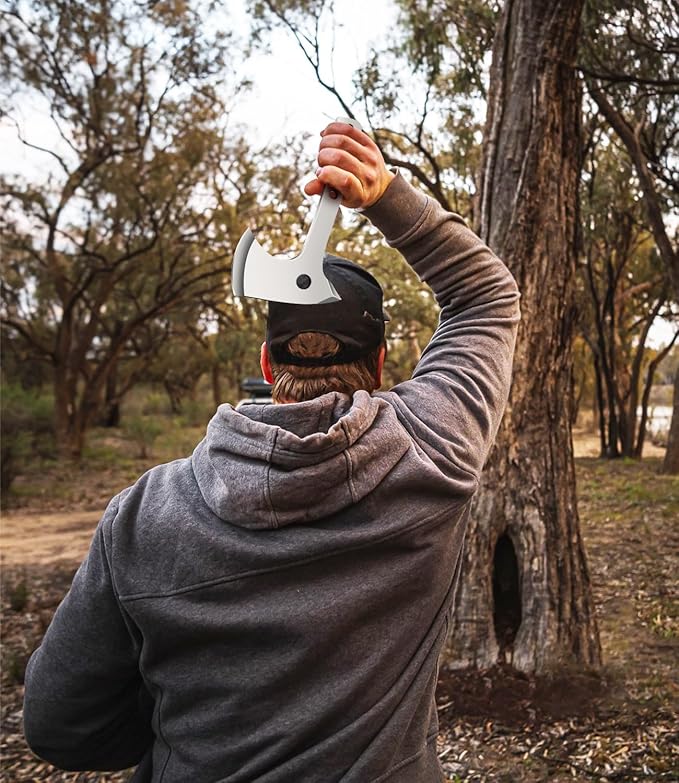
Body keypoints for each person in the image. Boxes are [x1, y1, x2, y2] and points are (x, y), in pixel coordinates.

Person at [23, 121, 520, 782]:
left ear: (265, 361)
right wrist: (383, 195)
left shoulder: (143, 517)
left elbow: (58, 725)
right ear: (378, 364)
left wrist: (180, 726)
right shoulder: (432, 452)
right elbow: (486, 297)